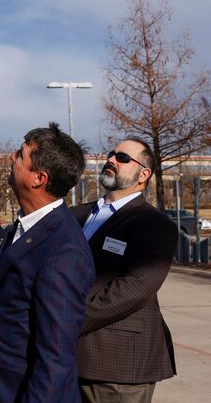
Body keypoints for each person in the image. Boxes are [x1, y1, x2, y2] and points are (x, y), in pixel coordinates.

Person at [0, 122, 95, 403]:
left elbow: (55, 354)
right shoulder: (26, 226)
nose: (12, 157)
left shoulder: (64, 251)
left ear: (38, 178)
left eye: (20, 154)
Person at [71, 138, 177, 403]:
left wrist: (65, 319)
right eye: (111, 154)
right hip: (66, 360)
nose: (111, 160)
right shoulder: (74, 216)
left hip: (117, 366)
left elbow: (135, 287)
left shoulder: (153, 223)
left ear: (143, 174)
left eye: (123, 158)